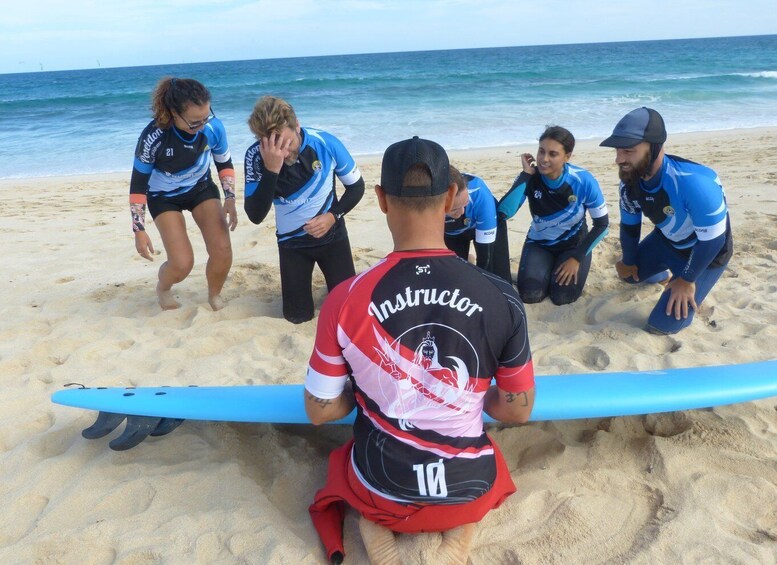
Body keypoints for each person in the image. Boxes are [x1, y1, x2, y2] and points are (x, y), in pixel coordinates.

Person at [304, 137, 535, 564]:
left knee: (344, 466)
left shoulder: (345, 297)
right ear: (450, 197)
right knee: (489, 461)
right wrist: (468, 398)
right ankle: (457, 537)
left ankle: (377, 534)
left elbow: (318, 412)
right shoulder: (502, 296)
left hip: (383, 489)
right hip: (466, 492)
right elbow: (517, 410)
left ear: (379, 200)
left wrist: (360, 395)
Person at [600, 107, 734, 334]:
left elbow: (713, 241)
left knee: (660, 326)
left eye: (628, 151)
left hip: (706, 255)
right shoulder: (631, 178)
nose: (618, 159)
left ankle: (692, 283)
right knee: (630, 277)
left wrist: (686, 279)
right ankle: (663, 272)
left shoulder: (694, 183)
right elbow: (630, 226)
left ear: (654, 147)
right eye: (617, 150)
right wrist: (630, 259)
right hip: (667, 242)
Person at [244, 96, 365, 324]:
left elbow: (356, 187)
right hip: (292, 246)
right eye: (274, 145)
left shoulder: (325, 143)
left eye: (287, 142)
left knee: (347, 310)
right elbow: (255, 215)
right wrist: (271, 170)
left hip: (332, 238)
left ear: (296, 125)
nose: (283, 152)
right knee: (297, 317)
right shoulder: (256, 155)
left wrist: (333, 216)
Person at [130, 77, 237, 311]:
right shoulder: (153, 137)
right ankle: (163, 287)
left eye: (206, 118)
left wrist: (230, 198)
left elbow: (224, 162)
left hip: (200, 188)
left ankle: (214, 294)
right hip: (163, 197)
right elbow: (138, 186)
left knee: (222, 249)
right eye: (193, 123)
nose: (201, 126)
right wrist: (139, 229)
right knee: (182, 264)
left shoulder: (213, 128)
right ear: (172, 114)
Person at [497, 126, 609, 305]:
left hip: (574, 246)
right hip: (540, 244)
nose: (544, 159)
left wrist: (576, 258)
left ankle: (558, 267)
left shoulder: (583, 180)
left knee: (562, 298)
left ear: (567, 156)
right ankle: (543, 269)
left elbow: (602, 225)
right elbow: (503, 212)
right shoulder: (532, 178)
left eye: (553, 154)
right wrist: (526, 175)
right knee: (530, 295)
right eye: (541, 151)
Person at [445, 166, 512, 281]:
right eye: (455, 209)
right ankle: (468, 260)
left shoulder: (478, 192)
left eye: (465, 204)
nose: (461, 212)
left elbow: (486, 256)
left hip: (483, 221)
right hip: (451, 232)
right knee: (453, 279)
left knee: (497, 278)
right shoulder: (427, 205)